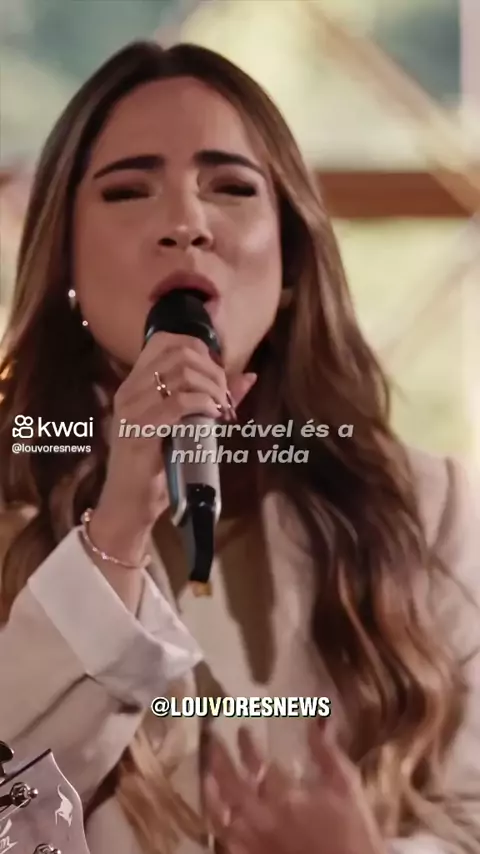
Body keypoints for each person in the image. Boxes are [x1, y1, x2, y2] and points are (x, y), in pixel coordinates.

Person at [0, 39, 478, 854]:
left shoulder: (433, 510)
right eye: (128, 191)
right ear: (66, 267)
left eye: (230, 188)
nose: (186, 225)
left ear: (290, 261)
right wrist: (117, 526)